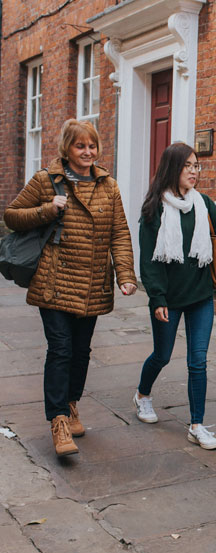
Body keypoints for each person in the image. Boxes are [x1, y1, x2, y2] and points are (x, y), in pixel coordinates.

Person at [3, 119, 137, 456]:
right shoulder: (47, 181)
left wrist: (125, 274)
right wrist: (49, 209)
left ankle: (72, 404)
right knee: (61, 350)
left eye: (92, 145)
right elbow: (12, 216)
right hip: (55, 282)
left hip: (93, 283)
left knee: (81, 352)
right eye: (80, 146)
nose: (88, 152)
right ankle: (59, 420)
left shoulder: (109, 186)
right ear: (67, 148)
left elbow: (119, 233)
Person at [133, 142, 216, 450]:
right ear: (173, 168)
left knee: (198, 362)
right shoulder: (154, 208)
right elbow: (149, 262)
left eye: (197, 166)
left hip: (200, 295)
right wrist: (156, 298)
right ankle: (143, 395)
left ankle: (196, 425)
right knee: (162, 355)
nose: (194, 171)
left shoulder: (203, 203)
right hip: (168, 298)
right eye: (188, 166)